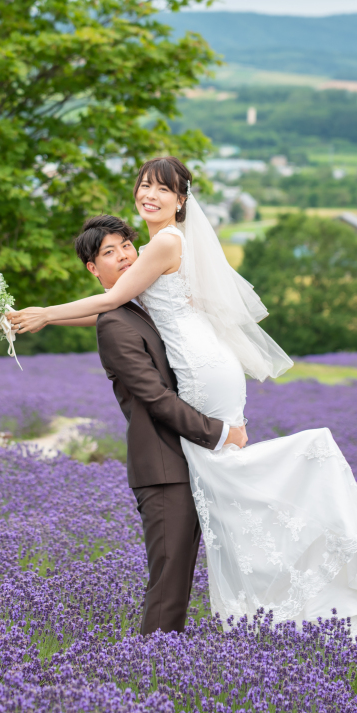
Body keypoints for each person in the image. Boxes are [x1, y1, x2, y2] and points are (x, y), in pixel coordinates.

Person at [9, 157, 357, 649]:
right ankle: (294, 588)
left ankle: (303, 505)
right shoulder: (155, 249)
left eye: (162, 189)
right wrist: (50, 317)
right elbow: (119, 306)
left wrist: (44, 313)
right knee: (231, 492)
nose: (149, 194)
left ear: (180, 199)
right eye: (143, 185)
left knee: (222, 477)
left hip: (199, 369)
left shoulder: (166, 242)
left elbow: (110, 302)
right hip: (208, 366)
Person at [69, 214, 247, 633]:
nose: (124, 257)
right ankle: (150, 675)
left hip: (186, 460)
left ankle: (159, 668)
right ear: (93, 269)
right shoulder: (114, 323)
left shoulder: (137, 305)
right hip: (164, 471)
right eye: (108, 253)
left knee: (179, 582)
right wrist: (221, 433)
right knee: (168, 587)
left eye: (126, 246)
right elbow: (155, 399)